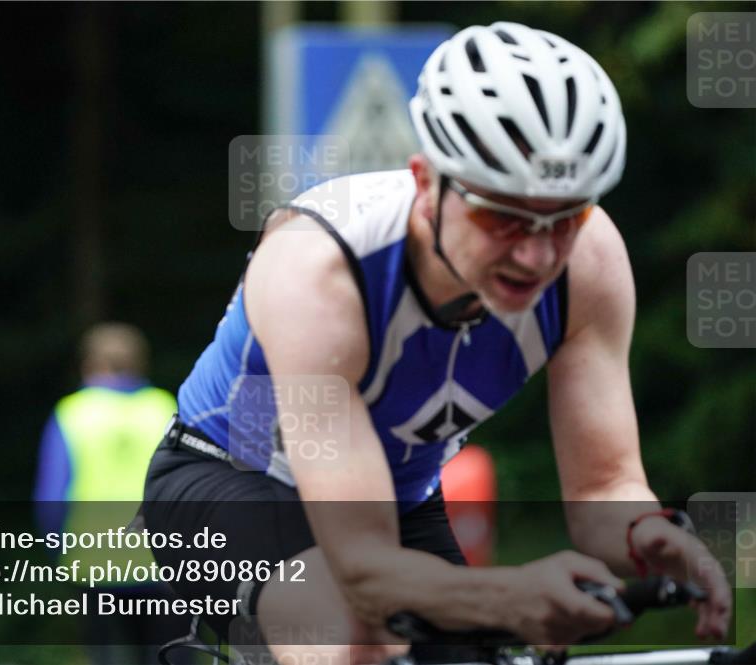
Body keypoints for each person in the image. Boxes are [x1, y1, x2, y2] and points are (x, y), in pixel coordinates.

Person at [143, 22, 732, 665]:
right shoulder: (317, 272)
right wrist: (505, 598)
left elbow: (603, 487)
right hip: (230, 481)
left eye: (564, 218)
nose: (536, 253)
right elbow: (364, 573)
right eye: (499, 214)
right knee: (352, 637)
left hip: (395, 501)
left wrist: (651, 533)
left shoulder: (589, 262)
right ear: (427, 184)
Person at [33, 322, 181, 664]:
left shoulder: (72, 413)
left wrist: (58, 553)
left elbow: (52, 498)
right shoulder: (165, 407)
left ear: (89, 363)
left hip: (92, 565)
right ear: (140, 362)